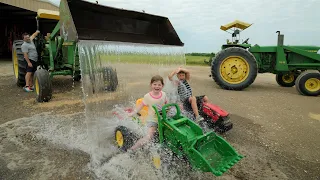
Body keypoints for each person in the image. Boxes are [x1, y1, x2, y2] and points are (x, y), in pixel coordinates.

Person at [127, 75, 168, 151]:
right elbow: (141, 105)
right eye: (155, 84)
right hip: (153, 120)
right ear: (151, 85)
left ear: (162, 86)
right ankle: (133, 148)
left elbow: (166, 104)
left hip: (163, 118)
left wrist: (168, 110)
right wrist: (133, 112)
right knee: (149, 136)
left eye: (159, 85)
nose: (157, 86)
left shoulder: (164, 94)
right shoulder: (147, 96)